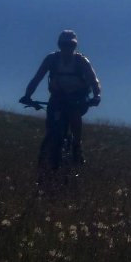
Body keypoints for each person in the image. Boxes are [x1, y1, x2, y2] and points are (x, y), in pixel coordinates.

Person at [20, 30, 101, 165]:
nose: (67, 48)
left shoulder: (81, 61)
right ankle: (49, 152)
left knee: (74, 114)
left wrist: (97, 95)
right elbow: (37, 78)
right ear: (59, 45)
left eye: (71, 45)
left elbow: (94, 81)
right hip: (58, 96)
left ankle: (77, 146)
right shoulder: (51, 59)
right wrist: (27, 95)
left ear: (75, 47)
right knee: (52, 125)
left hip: (77, 97)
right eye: (65, 45)